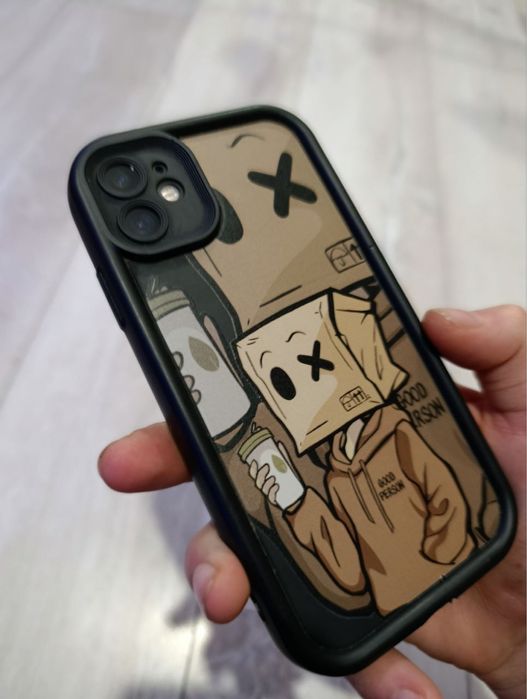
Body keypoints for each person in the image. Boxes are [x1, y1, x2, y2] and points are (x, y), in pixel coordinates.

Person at [98, 306, 526, 699]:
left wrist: (441, 555)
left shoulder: (397, 433)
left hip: (447, 565)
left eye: (318, 362)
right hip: (392, 599)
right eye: (281, 384)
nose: (305, 391)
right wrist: (297, 501)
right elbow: (350, 573)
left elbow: (444, 496)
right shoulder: (335, 476)